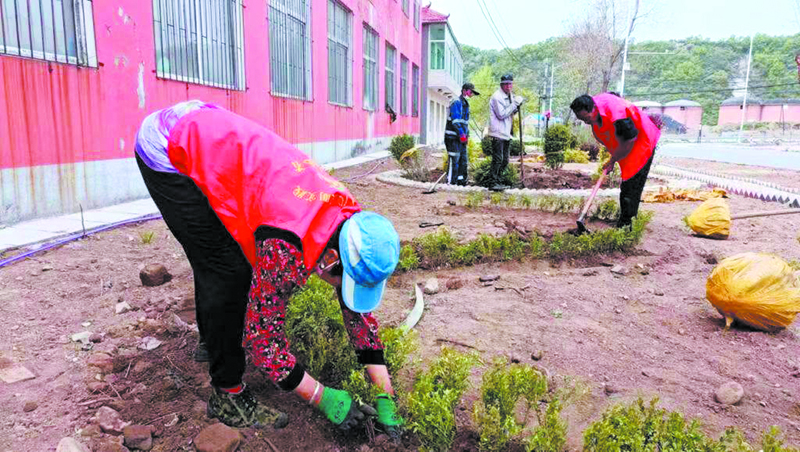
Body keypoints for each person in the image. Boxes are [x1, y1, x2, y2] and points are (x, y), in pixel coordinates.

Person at [134, 101, 403, 437]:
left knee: (225, 261)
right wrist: (323, 397)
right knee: (227, 271)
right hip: (168, 147)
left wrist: (385, 395)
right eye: (343, 281)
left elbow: (356, 312)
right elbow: (263, 341)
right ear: (330, 259)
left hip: (213, 136)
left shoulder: (351, 222)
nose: (343, 290)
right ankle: (228, 395)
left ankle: (214, 340)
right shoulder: (284, 245)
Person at [569, 93, 662, 228]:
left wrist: (612, 160)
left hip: (642, 141)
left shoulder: (616, 113)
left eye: (586, 118)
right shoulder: (595, 110)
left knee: (631, 185)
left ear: (593, 108)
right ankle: (626, 220)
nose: (586, 122)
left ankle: (626, 226)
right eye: (582, 119)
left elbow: (629, 140)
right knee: (628, 184)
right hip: (627, 142)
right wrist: (612, 160)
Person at [488, 74, 524, 192]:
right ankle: (493, 182)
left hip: (506, 132)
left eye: (510, 84)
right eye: (506, 84)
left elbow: (511, 112)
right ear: (502, 85)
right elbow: (501, 114)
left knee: (505, 160)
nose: (509, 86)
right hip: (498, 133)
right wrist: (514, 104)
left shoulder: (510, 96)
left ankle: (498, 180)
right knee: (498, 159)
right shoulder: (496, 97)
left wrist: (517, 106)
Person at [444, 83, 479, 185]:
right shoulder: (456, 102)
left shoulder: (465, 103)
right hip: (452, 138)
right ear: (464, 90)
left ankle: (461, 182)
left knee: (463, 161)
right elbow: (455, 121)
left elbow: (465, 123)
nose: (471, 94)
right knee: (454, 160)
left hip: (461, 138)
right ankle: (452, 183)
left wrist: (466, 135)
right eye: (470, 91)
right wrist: (461, 134)